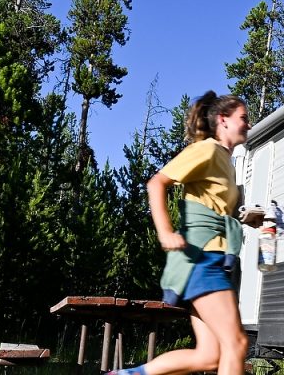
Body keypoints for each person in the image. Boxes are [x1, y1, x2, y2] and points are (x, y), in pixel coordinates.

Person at [109, 91, 263, 375]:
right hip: (202, 259)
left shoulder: (225, 161)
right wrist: (165, 231)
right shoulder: (206, 150)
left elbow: (215, 209)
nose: (248, 124)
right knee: (237, 344)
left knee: (209, 356)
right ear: (223, 120)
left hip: (211, 259)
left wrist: (246, 218)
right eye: (243, 118)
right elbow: (156, 183)